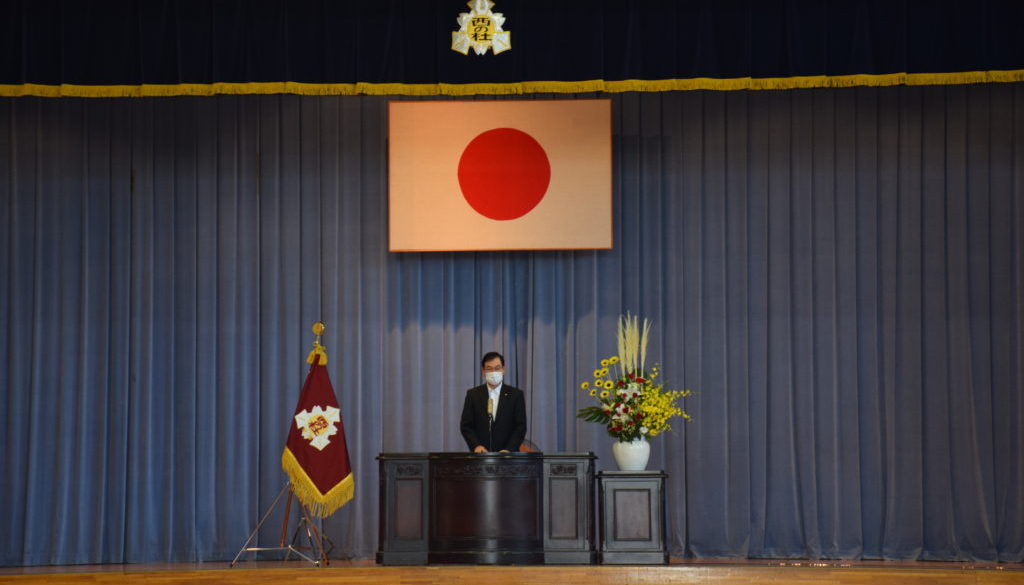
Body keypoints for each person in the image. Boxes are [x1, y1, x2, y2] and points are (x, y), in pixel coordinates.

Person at [460, 351, 527, 453]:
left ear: (503, 370)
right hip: (481, 456)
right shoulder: (473, 395)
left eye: (497, 368)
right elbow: (466, 426)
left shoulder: (516, 395)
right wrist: (476, 445)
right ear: (483, 371)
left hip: (508, 457)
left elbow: (520, 427)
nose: (493, 372)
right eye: (489, 369)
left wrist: (509, 449)